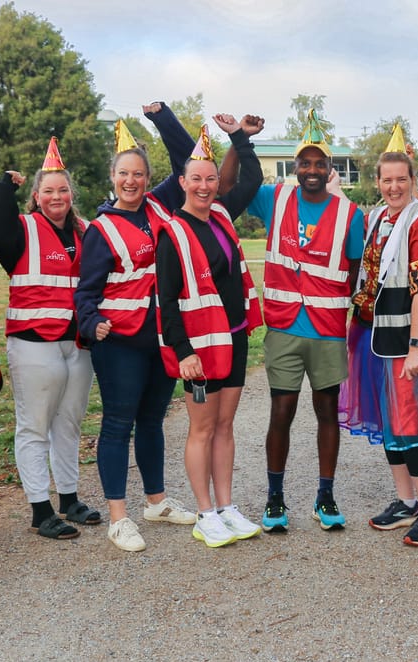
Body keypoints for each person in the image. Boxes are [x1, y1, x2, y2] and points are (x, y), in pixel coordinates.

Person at [73, 102, 198, 552]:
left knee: (152, 422)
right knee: (117, 424)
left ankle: (157, 502)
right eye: (124, 174)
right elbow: (85, 292)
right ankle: (119, 518)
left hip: (160, 337)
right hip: (120, 342)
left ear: (148, 178)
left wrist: (162, 116)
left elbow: (189, 160)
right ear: (113, 178)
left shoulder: (161, 205)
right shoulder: (100, 229)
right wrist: (92, 323)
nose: (132, 181)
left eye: (139, 174)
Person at [340, 128, 418, 547]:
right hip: (375, 336)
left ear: (413, 181)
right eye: (387, 180)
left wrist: (415, 345)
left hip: (405, 341)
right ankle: (405, 501)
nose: (394, 186)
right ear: (378, 182)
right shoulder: (377, 217)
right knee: (388, 422)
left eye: (401, 180)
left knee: (409, 425)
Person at [244, 110, 365, 532]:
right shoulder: (274, 198)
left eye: (319, 163)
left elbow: (352, 269)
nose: (312, 170)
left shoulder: (351, 214)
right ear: (295, 167)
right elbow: (231, 186)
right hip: (283, 325)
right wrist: (240, 141)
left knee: (327, 411)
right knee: (282, 411)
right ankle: (275, 498)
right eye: (304, 163)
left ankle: (325, 495)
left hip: (327, 328)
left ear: (329, 169)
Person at [0, 137, 98, 541]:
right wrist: (2, 188)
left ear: (71, 194)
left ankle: (68, 498)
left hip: (76, 345)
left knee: (68, 423)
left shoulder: (83, 232)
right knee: (34, 426)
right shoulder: (22, 230)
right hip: (34, 343)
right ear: (36, 196)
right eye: (48, 191)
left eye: (63, 189)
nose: (56, 197)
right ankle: (40, 508)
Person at [155, 115, 264, 548]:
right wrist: (183, 351)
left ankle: (226, 506)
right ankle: (204, 512)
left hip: (233, 338)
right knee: (201, 428)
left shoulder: (220, 214)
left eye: (210, 179)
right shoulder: (172, 232)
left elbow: (252, 176)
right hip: (198, 348)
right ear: (182, 182)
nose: (203, 186)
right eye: (195, 179)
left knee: (225, 426)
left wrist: (238, 136)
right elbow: (165, 301)